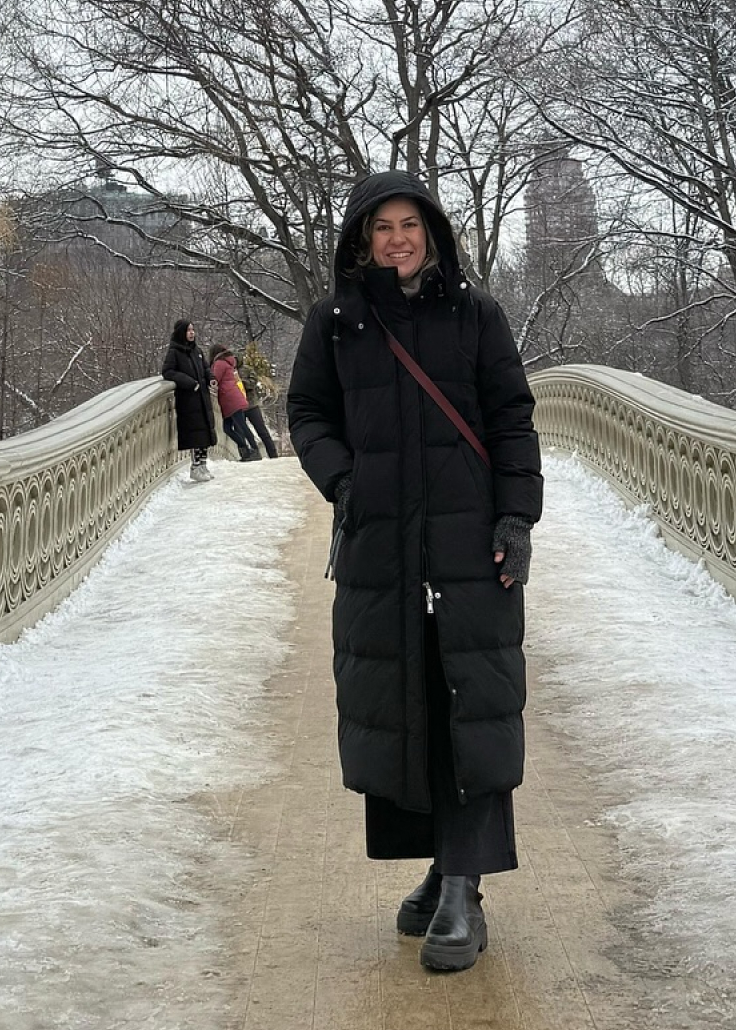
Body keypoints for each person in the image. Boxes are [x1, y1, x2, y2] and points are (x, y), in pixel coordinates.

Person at [286, 170, 542, 973]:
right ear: (361, 239)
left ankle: (466, 888)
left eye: (410, 225)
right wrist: (345, 481)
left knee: (474, 700)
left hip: (468, 547)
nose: (397, 239)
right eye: (381, 227)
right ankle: (442, 862)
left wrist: (516, 517)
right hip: (382, 551)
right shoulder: (336, 323)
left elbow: (512, 417)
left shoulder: (475, 314)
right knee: (410, 703)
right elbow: (308, 413)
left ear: (432, 232)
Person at [161, 319, 217, 482]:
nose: (192, 333)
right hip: (189, 400)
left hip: (202, 398)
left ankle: (203, 464)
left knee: (205, 433)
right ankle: (195, 466)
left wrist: (211, 378)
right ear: (181, 333)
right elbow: (168, 371)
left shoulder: (197, 351)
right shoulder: (175, 352)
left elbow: (205, 368)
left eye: (193, 330)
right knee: (195, 435)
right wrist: (189, 383)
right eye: (188, 330)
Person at [209, 343, 261, 461]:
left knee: (241, 426)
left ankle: (253, 450)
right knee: (228, 428)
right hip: (233, 397)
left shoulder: (219, 363)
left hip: (230, 398)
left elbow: (214, 379)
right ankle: (246, 450)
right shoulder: (228, 362)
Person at [240, 342, 282, 459]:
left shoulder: (247, 369)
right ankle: (250, 454)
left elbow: (253, 382)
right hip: (239, 406)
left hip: (252, 404)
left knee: (262, 431)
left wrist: (244, 383)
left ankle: (273, 454)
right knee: (242, 432)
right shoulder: (230, 372)